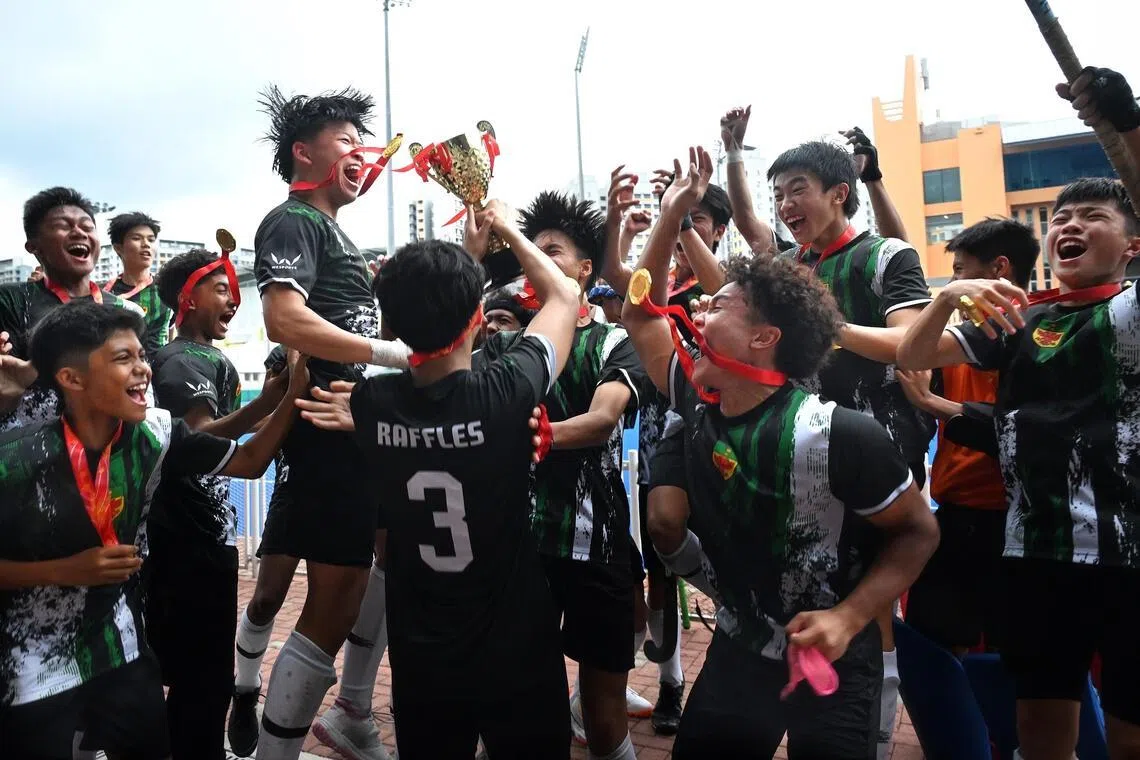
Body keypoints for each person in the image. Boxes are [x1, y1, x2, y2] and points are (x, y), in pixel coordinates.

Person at [624, 147, 939, 760]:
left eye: (717, 307)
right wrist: (671, 216)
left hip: (836, 659)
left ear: (767, 337)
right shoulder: (696, 397)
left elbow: (918, 534)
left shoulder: (843, 434)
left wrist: (848, 618)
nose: (695, 310)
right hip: (741, 649)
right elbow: (640, 309)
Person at [896, 66, 1140, 760]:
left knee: (1129, 736)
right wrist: (945, 297)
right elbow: (910, 352)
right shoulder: (1020, 319)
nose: (1070, 224)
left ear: (1132, 247)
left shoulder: (1131, 309)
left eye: (1092, 217)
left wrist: (1123, 129)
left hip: (1130, 554)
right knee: (1039, 736)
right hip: (1036, 551)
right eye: (1062, 215)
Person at [296, 200, 580, 759]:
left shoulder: (374, 405)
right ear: (478, 317)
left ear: (394, 326)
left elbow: (415, 360)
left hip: (424, 647)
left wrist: (462, 265)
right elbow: (565, 297)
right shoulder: (505, 392)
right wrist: (506, 232)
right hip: (514, 639)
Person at [0, 300, 307, 760]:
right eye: (123, 359)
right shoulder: (15, 458)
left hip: (121, 651)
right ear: (72, 379)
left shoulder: (156, 433)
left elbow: (248, 460)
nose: (144, 369)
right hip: (30, 666)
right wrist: (66, 570)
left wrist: (291, 392)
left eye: (142, 354)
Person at [226, 85, 410, 759]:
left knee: (345, 591)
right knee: (329, 601)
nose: (360, 155)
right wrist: (390, 352)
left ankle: (304, 726)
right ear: (304, 154)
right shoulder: (295, 220)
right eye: (344, 142)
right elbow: (282, 318)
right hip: (327, 437)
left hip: (341, 435)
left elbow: (342, 332)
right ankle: (270, 737)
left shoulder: (334, 235)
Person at [757, 127, 936, 753]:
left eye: (796, 190)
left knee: (877, 599)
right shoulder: (788, 267)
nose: (785, 205)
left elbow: (912, 344)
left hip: (879, 447)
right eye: (777, 193)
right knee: (821, 587)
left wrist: (828, 326)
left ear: (840, 192)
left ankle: (877, 734)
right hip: (804, 451)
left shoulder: (888, 256)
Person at [477, 191, 645, 760]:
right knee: (525, 705)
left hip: (596, 544)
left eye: (553, 251)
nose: (538, 262)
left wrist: (543, 436)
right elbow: (441, 350)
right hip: (524, 546)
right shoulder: (512, 345)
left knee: (603, 718)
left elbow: (602, 420)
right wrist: (475, 251)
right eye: (533, 251)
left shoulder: (614, 339)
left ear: (584, 269)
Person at [598, 167, 738, 733]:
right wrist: (616, 222)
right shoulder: (667, 286)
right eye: (681, 217)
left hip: (730, 430)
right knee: (662, 549)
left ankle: (739, 609)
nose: (682, 227)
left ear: (718, 229)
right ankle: (672, 682)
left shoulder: (730, 284)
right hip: (667, 427)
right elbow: (618, 284)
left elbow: (721, 281)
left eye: (697, 219)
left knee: (729, 542)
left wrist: (677, 221)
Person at [143, 249, 296, 758]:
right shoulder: (186, 359)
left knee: (192, 674)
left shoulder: (200, 358)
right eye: (221, 288)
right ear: (188, 298)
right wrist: (277, 400)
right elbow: (198, 439)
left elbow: (221, 438)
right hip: (186, 538)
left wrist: (266, 408)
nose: (233, 300)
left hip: (197, 535)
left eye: (234, 289)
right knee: (202, 679)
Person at [898, 219, 1039, 656]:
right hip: (956, 515)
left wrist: (933, 405)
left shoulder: (1038, 335)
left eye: (960, 272)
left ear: (999, 270)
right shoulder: (959, 341)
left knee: (1004, 660)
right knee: (932, 646)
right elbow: (903, 347)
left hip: (1010, 523)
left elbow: (1015, 431)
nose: (954, 284)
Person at [0, 187, 143, 432]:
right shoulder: (12, 300)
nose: (79, 232)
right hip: (37, 458)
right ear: (33, 246)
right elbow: (8, 386)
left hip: (114, 452)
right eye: (64, 226)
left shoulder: (127, 311)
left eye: (87, 227)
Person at [104, 212, 173, 357]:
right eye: (136, 238)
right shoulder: (106, 295)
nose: (146, 244)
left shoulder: (167, 292)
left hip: (158, 372)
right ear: (118, 248)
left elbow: (170, 334)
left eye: (151, 239)